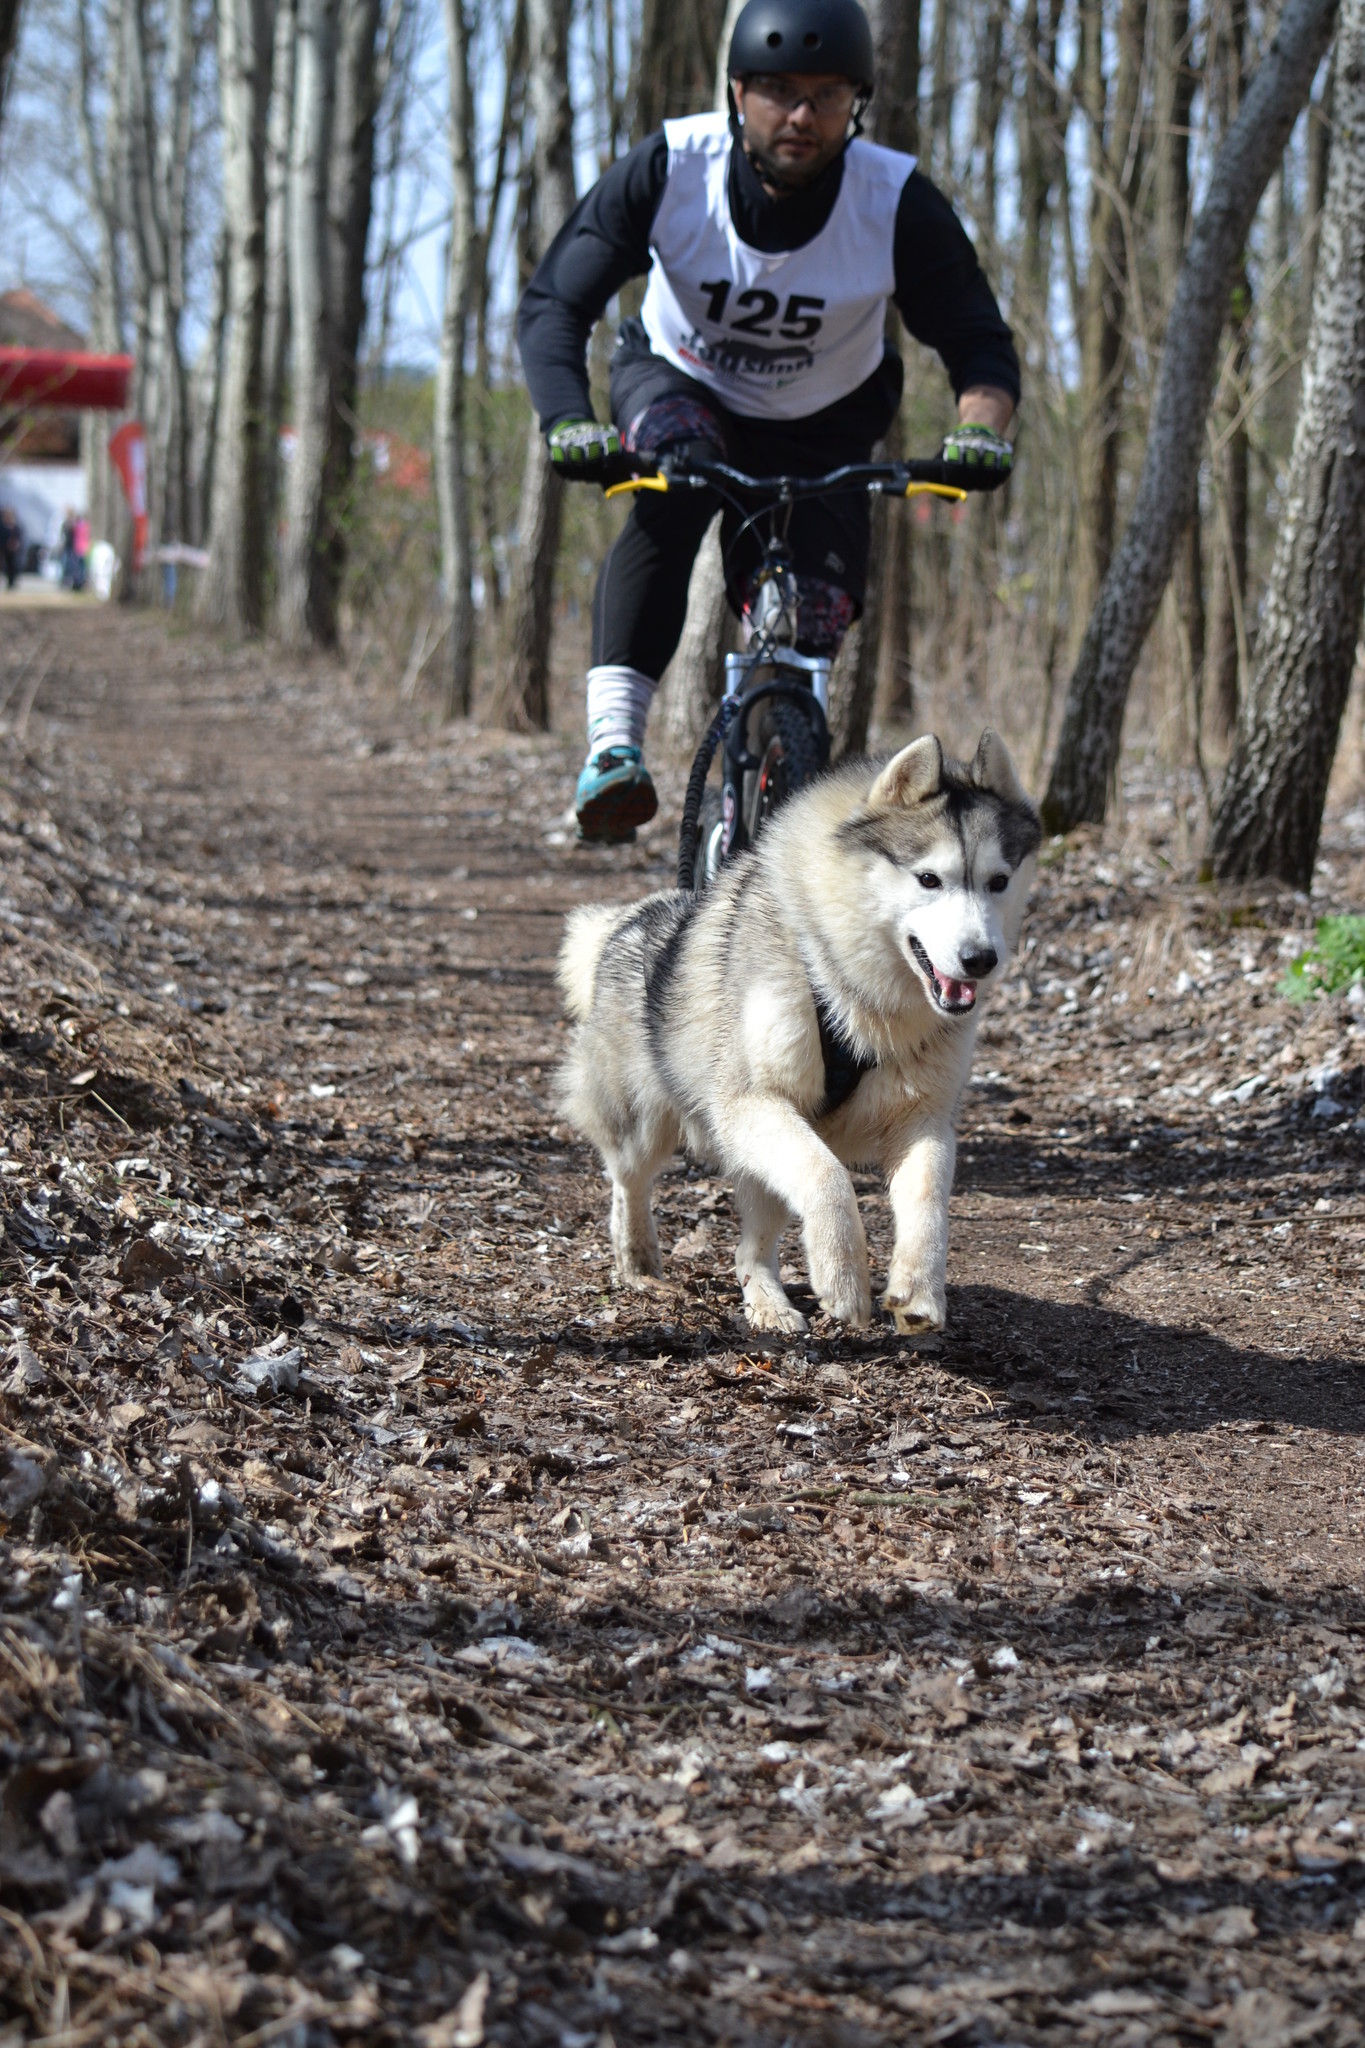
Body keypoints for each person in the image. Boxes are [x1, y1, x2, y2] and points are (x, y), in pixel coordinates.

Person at [516, 0, 1020, 843]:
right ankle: (613, 747)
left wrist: (980, 429)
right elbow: (555, 304)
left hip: (824, 420)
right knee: (672, 479)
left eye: (825, 96)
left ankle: (776, 786)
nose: (799, 116)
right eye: (778, 92)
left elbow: (977, 341)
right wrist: (568, 418)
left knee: (815, 612)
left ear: (855, 104)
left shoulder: (893, 200)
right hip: (680, 380)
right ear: (737, 91)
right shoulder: (673, 167)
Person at [0, 506, 24, 590]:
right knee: (5, 565)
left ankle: (12, 582)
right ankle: (8, 581)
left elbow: (19, 537)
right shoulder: (3, 526)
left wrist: (15, 544)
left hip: (13, 549)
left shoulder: (15, 526)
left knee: (12, 565)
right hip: (4, 548)